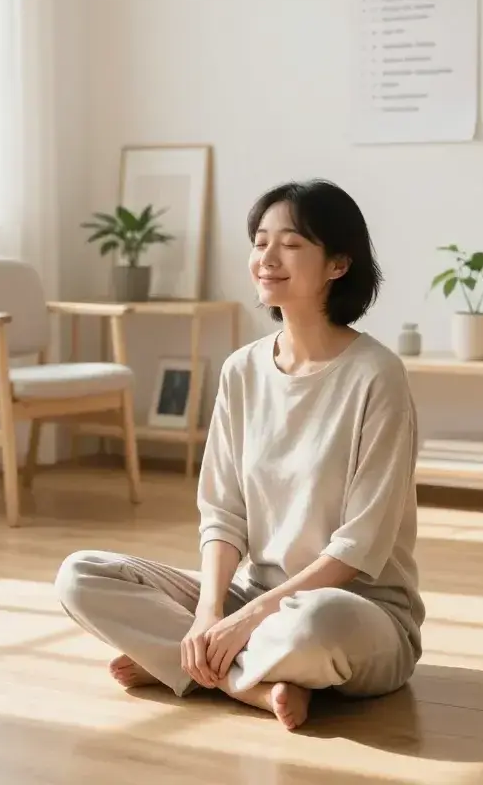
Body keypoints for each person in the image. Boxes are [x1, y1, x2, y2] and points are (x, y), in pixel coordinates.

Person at [55, 179, 425, 732]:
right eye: (259, 242)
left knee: (315, 625)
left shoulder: (378, 376)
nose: (267, 258)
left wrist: (247, 619)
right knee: (79, 575)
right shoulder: (242, 370)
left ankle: (185, 665)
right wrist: (209, 612)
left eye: (291, 244)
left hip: (355, 611)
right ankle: (244, 683)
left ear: (339, 264)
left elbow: (358, 546)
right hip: (249, 596)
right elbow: (223, 513)